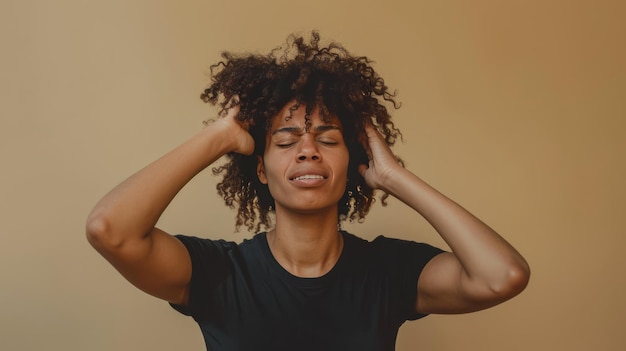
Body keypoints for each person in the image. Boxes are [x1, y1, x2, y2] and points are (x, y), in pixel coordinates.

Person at [86, 32, 530, 350]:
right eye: (285, 140)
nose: (307, 151)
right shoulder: (217, 273)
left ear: (353, 164)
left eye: (329, 139)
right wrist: (220, 135)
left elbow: (502, 276)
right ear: (260, 170)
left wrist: (395, 177)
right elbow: (109, 229)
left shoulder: (388, 271)